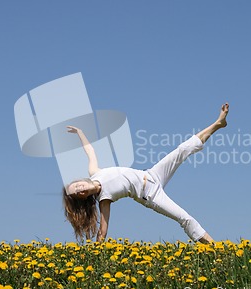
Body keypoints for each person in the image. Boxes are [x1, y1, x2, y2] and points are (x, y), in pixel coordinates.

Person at [62, 103, 229, 243]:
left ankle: (218, 124)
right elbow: (103, 232)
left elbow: (89, 150)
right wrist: (94, 256)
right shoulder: (104, 199)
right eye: (78, 193)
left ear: (79, 180)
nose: (80, 189)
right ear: (82, 198)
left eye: (77, 186)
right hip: (150, 195)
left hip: (151, 174)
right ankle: (216, 248)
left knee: (182, 150)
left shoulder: (95, 172)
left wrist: (80, 133)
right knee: (184, 218)